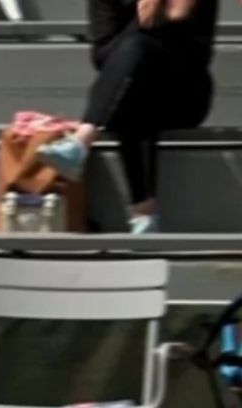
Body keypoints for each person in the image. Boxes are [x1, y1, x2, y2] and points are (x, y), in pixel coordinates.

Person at [36, 0, 217, 233]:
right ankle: (145, 217)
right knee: (137, 83)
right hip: (131, 91)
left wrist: (162, 21)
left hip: (185, 96)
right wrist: (141, 23)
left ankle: (83, 138)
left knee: (138, 64)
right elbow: (100, 56)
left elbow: (198, 56)